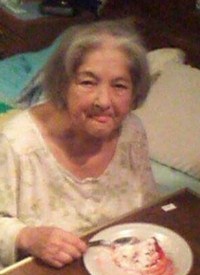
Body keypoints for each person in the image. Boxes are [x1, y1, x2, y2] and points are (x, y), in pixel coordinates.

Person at [0, 19, 157, 269]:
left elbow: (148, 208)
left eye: (119, 85)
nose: (104, 101)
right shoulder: (18, 143)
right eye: (87, 82)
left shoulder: (131, 131)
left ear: (135, 92)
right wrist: (27, 237)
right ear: (63, 84)